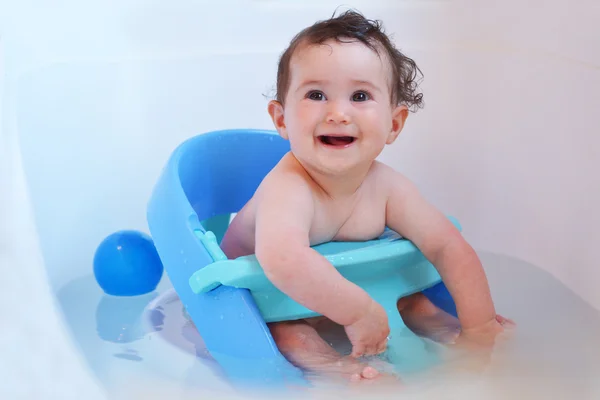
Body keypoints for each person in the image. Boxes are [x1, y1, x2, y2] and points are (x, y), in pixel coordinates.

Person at [220, 9, 513, 384]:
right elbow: (283, 260)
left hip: (351, 289)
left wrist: (481, 326)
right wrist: (357, 313)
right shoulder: (287, 187)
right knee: (289, 333)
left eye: (360, 95)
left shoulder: (389, 188)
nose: (338, 112)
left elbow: (448, 246)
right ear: (281, 119)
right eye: (316, 94)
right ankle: (339, 369)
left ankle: (447, 332)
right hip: (271, 300)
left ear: (394, 124)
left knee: (412, 302)